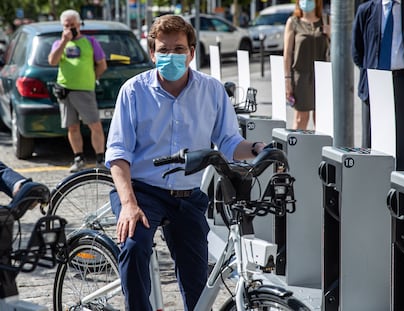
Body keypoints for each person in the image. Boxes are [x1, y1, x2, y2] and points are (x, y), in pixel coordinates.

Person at [105, 14, 267, 311]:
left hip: (188, 196)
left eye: (179, 49)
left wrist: (256, 148)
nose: (171, 56)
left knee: (197, 282)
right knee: (133, 246)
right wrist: (128, 204)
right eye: (163, 50)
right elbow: (117, 153)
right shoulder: (133, 91)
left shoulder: (212, 90)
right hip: (141, 191)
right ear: (152, 53)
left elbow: (229, 142)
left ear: (191, 52)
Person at [352, 0, 404, 170]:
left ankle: (402, 192)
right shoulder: (366, 10)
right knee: (371, 142)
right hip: (374, 82)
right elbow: (357, 52)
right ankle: (371, 187)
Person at [48, 9, 107, 173]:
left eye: (73, 25)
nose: (70, 28)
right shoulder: (58, 43)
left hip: (85, 90)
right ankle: (78, 157)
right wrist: (63, 42)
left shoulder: (90, 41)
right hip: (65, 90)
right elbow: (52, 61)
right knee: (72, 127)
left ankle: (100, 158)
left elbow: (102, 64)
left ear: (79, 24)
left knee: (94, 124)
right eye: (66, 25)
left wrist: (91, 78)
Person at [283, 0, 330, 130]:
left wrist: (330, 34)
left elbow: (339, 50)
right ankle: (296, 150)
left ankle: (320, 150)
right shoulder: (293, 22)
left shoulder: (326, 20)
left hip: (323, 77)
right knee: (300, 119)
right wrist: (287, 81)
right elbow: (287, 55)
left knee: (321, 120)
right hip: (301, 77)